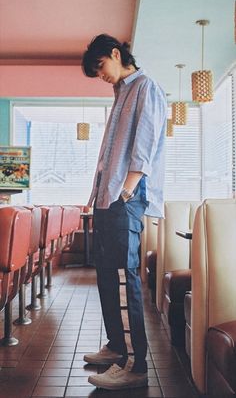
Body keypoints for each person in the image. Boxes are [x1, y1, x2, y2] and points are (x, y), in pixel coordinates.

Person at [81, 34, 167, 390]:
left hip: (124, 198)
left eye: (100, 65)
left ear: (116, 54)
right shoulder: (120, 94)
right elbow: (108, 157)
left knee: (122, 278)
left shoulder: (145, 87)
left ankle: (134, 365)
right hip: (108, 198)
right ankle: (118, 347)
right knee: (106, 276)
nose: (101, 74)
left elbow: (144, 148)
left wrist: (124, 192)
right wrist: (97, 194)